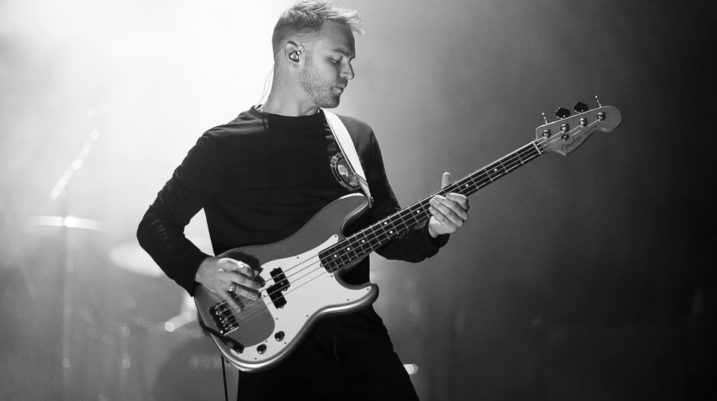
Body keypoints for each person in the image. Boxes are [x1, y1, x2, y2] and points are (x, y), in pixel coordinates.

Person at [136, 1, 470, 400]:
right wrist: (201, 269)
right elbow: (155, 225)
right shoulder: (222, 147)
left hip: (361, 346)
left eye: (350, 61)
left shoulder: (355, 140)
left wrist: (433, 227)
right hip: (275, 357)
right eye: (337, 59)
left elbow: (391, 237)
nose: (349, 72)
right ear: (294, 54)